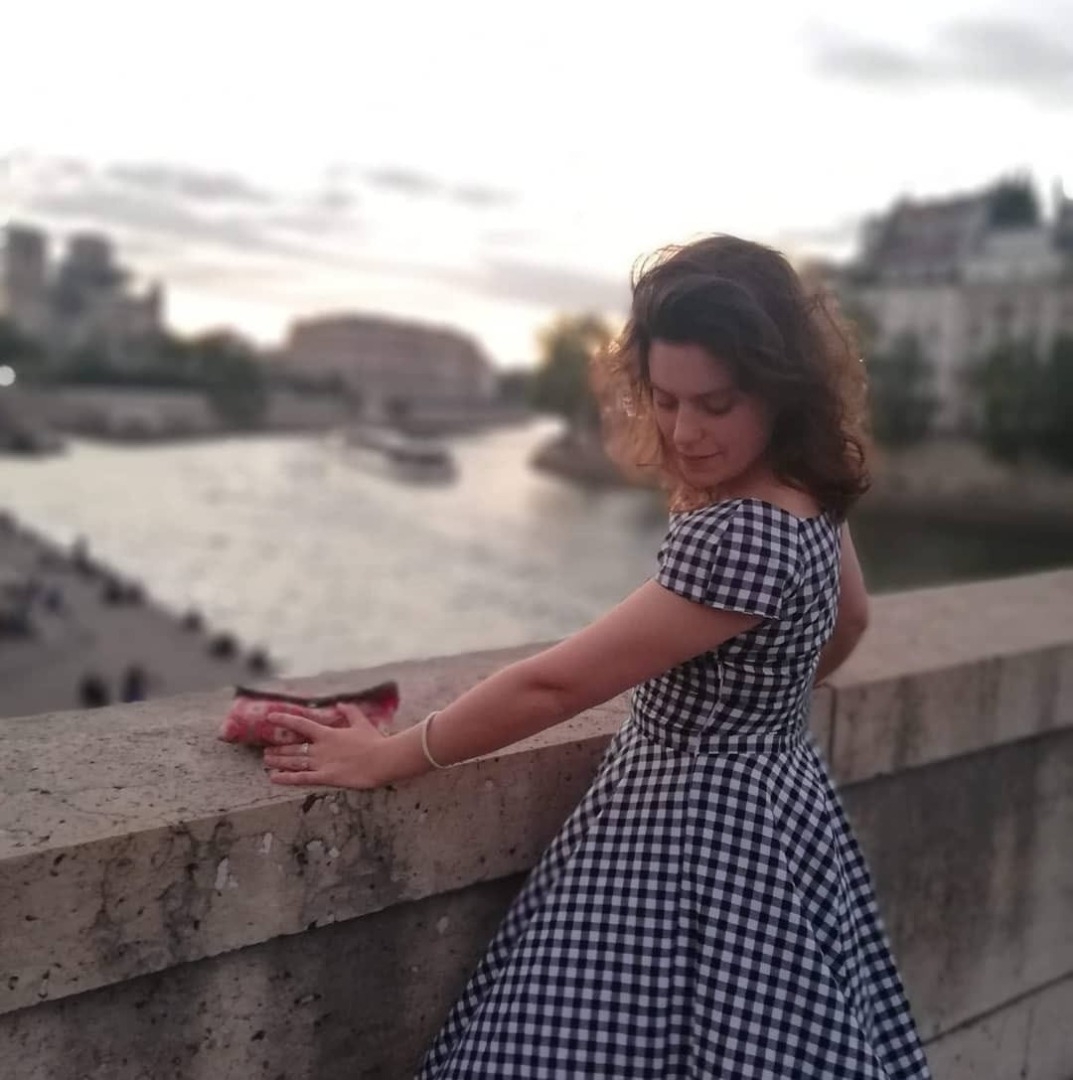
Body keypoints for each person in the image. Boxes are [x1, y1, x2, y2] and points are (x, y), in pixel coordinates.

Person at [262, 235, 932, 1079]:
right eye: (665, 399)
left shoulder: (739, 534)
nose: (684, 431)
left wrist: (390, 756)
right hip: (784, 799)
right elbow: (850, 621)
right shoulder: (807, 490)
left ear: (779, 389)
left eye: (716, 404)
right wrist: (761, 706)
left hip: (681, 828)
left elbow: (555, 685)